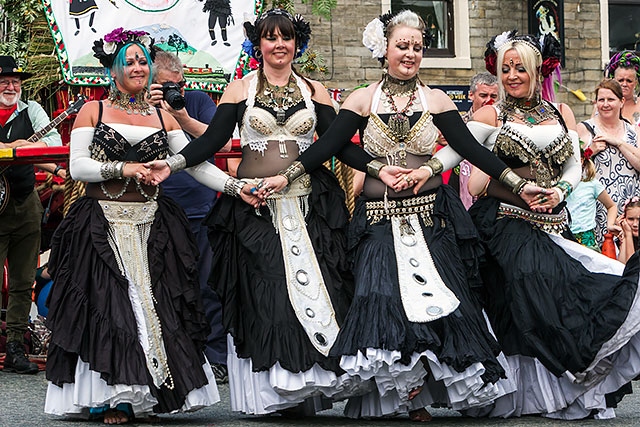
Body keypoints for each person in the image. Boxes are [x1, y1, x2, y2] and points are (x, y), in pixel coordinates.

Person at [257, 11, 554, 421]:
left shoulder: (436, 99)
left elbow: (472, 148)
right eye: (403, 45)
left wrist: (517, 185)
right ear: (385, 49)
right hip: (378, 218)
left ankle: (421, 397)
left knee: (441, 304)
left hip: (431, 217)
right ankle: (398, 396)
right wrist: (289, 176)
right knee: (384, 300)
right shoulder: (363, 99)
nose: (411, 53)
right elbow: (331, 147)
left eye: (417, 46)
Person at [146, 9, 367, 415]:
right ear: (259, 44)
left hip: (308, 202)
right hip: (255, 205)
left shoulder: (315, 91)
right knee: (268, 294)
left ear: (296, 43)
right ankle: (275, 389)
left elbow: (339, 142)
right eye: (271, 38)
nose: (279, 45)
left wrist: (379, 165)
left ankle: (308, 386)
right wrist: (173, 165)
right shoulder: (239, 90)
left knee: (324, 287)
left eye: (286, 38)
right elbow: (212, 141)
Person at [448, 30, 640, 419]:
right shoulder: (490, 115)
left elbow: (572, 165)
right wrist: (428, 171)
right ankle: (514, 393)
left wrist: (562, 190)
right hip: (504, 221)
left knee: (561, 292)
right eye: (505, 69)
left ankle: (563, 388)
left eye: (520, 68)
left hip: (552, 221)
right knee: (524, 288)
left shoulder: (559, 113)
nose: (512, 75)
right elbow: (461, 162)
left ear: (537, 71)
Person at [44, 28, 222, 424]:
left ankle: (148, 394)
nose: (139, 67)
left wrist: (237, 187)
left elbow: (196, 162)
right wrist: (121, 167)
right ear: (114, 68)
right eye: (130, 61)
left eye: (143, 61)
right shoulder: (95, 111)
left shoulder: (162, 116)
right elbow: (78, 168)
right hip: (101, 223)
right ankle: (112, 396)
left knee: (157, 307)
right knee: (110, 308)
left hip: (150, 223)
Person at [148, 49, 229, 384]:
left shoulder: (194, 101)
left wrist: (178, 113)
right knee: (166, 285)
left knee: (209, 283)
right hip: (158, 209)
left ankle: (217, 356)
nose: (174, 90)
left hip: (201, 207)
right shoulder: (138, 107)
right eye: (166, 86)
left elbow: (217, 141)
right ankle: (173, 356)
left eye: (178, 83)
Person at [0, 55, 62, 375]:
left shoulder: (33, 110)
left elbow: (52, 143)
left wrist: (25, 147)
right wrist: (13, 147)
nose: (11, 86)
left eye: (15, 82)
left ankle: (14, 347)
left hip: (25, 203)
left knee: (24, 280)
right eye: (4, 81)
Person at [578, 78, 640, 245]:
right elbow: (573, 165)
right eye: (601, 100)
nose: (605, 104)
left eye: (611, 99)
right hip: (600, 208)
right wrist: (591, 150)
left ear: (621, 102)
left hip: (630, 213)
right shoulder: (585, 128)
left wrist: (618, 143)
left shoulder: (632, 130)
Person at [449, 71, 499, 209]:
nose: (489, 101)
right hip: (461, 194)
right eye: (483, 95)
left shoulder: (503, 126)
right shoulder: (458, 125)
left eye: (493, 96)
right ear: (471, 95)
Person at [560, 146, 619, 252]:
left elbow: (611, 206)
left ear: (582, 160)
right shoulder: (558, 186)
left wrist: (610, 225)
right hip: (563, 237)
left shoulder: (591, 184)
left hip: (586, 239)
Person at [603, 50, 640, 125]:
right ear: (613, 80)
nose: (624, 84)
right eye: (620, 80)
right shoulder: (604, 105)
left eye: (629, 81)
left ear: (635, 83)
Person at [617, 197, 640, 263]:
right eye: (631, 219)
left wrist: (628, 235)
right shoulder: (624, 237)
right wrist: (624, 235)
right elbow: (622, 266)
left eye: (639, 219)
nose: (635, 224)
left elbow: (633, 268)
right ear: (624, 219)